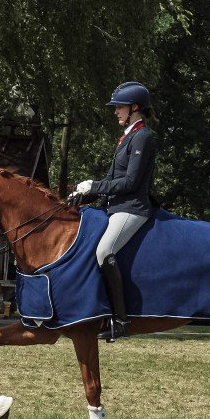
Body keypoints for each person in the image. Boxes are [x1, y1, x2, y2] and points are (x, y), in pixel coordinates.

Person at [71, 82, 158, 341]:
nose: (115, 112)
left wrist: (95, 185)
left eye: (119, 107)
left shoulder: (143, 136)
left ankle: (120, 321)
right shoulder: (128, 136)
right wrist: (85, 193)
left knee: (104, 250)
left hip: (132, 208)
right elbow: (113, 179)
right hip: (115, 206)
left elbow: (130, 182)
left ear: (134, 108)